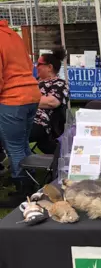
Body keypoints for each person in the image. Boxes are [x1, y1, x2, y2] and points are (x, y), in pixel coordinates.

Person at [0, 19, 41, 198]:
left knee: (14, 147)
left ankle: (22, 190)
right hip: (31, 93)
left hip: (12, 98)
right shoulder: (12, 35)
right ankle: (32, 179)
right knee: (23, 143)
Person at [30, 47, 69, 154]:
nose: (36, 66)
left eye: (39, 64)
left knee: (7, 132)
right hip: (21, 118)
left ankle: (21, 166)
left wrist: (25, 101)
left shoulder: (59, 84)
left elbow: (52, 102)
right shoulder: (34, 82)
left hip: (40, 123)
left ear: (49, 67)